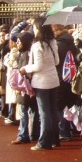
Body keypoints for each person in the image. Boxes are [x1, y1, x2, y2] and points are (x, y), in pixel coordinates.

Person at [20, 17, 60, 151]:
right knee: (53, 111)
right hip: (53, 79)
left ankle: (44, 142)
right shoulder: (53, 42)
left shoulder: (37, 45)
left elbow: (38, 65)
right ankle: (55, 139)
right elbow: (57, 61)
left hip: (42, 81)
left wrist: (26, 68)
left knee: (44, 113)